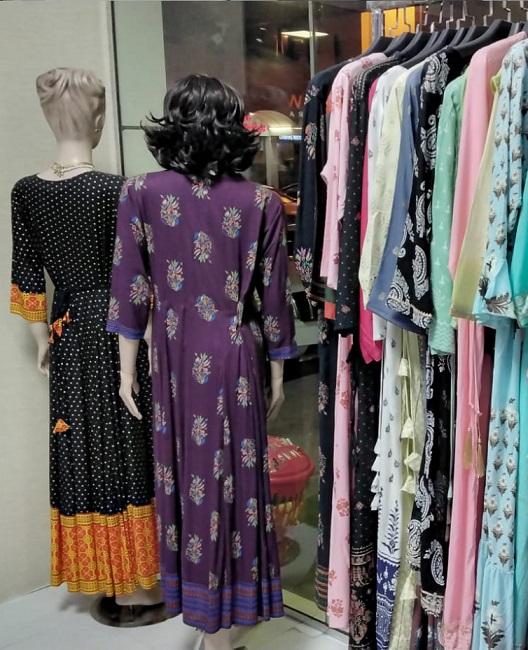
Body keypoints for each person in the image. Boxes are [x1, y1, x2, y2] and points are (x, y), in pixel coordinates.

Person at [107, 74, 297, 650]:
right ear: (233, 126)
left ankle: (204, 612)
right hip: (236, 353)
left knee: (187, 479)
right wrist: (278, 369)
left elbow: (130, 287)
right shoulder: (260, 201)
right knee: (236, 482)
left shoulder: (139, 192)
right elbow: (274, 297)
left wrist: (126, 370)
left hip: (173, 353)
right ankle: (228, 618)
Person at [10, 67, 163, 624]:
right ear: (98, 119)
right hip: (120, 328)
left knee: (82, 449)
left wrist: (41, 339)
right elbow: (138, 275)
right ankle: (138, 583)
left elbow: (26, 273)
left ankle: (108, 574)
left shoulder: (25, 191)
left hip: (67, 331)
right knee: (127, 443)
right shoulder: (118, 189)